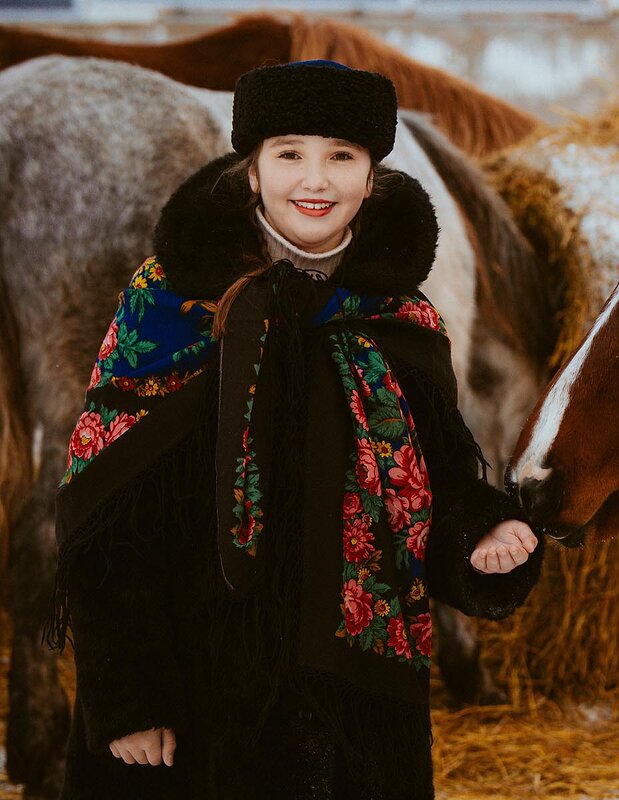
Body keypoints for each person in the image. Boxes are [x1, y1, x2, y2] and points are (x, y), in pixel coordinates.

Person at [47, 60, 542, 800]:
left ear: (372, 178)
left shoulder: (401, 320)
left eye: (342, 156)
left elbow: (431, 487)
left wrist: (482, 536)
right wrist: (131, 698)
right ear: (251, 171)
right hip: (187, 703)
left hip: (352, 709)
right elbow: (104, 515)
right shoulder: (166, 306)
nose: (315, 179)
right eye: (289, 154)